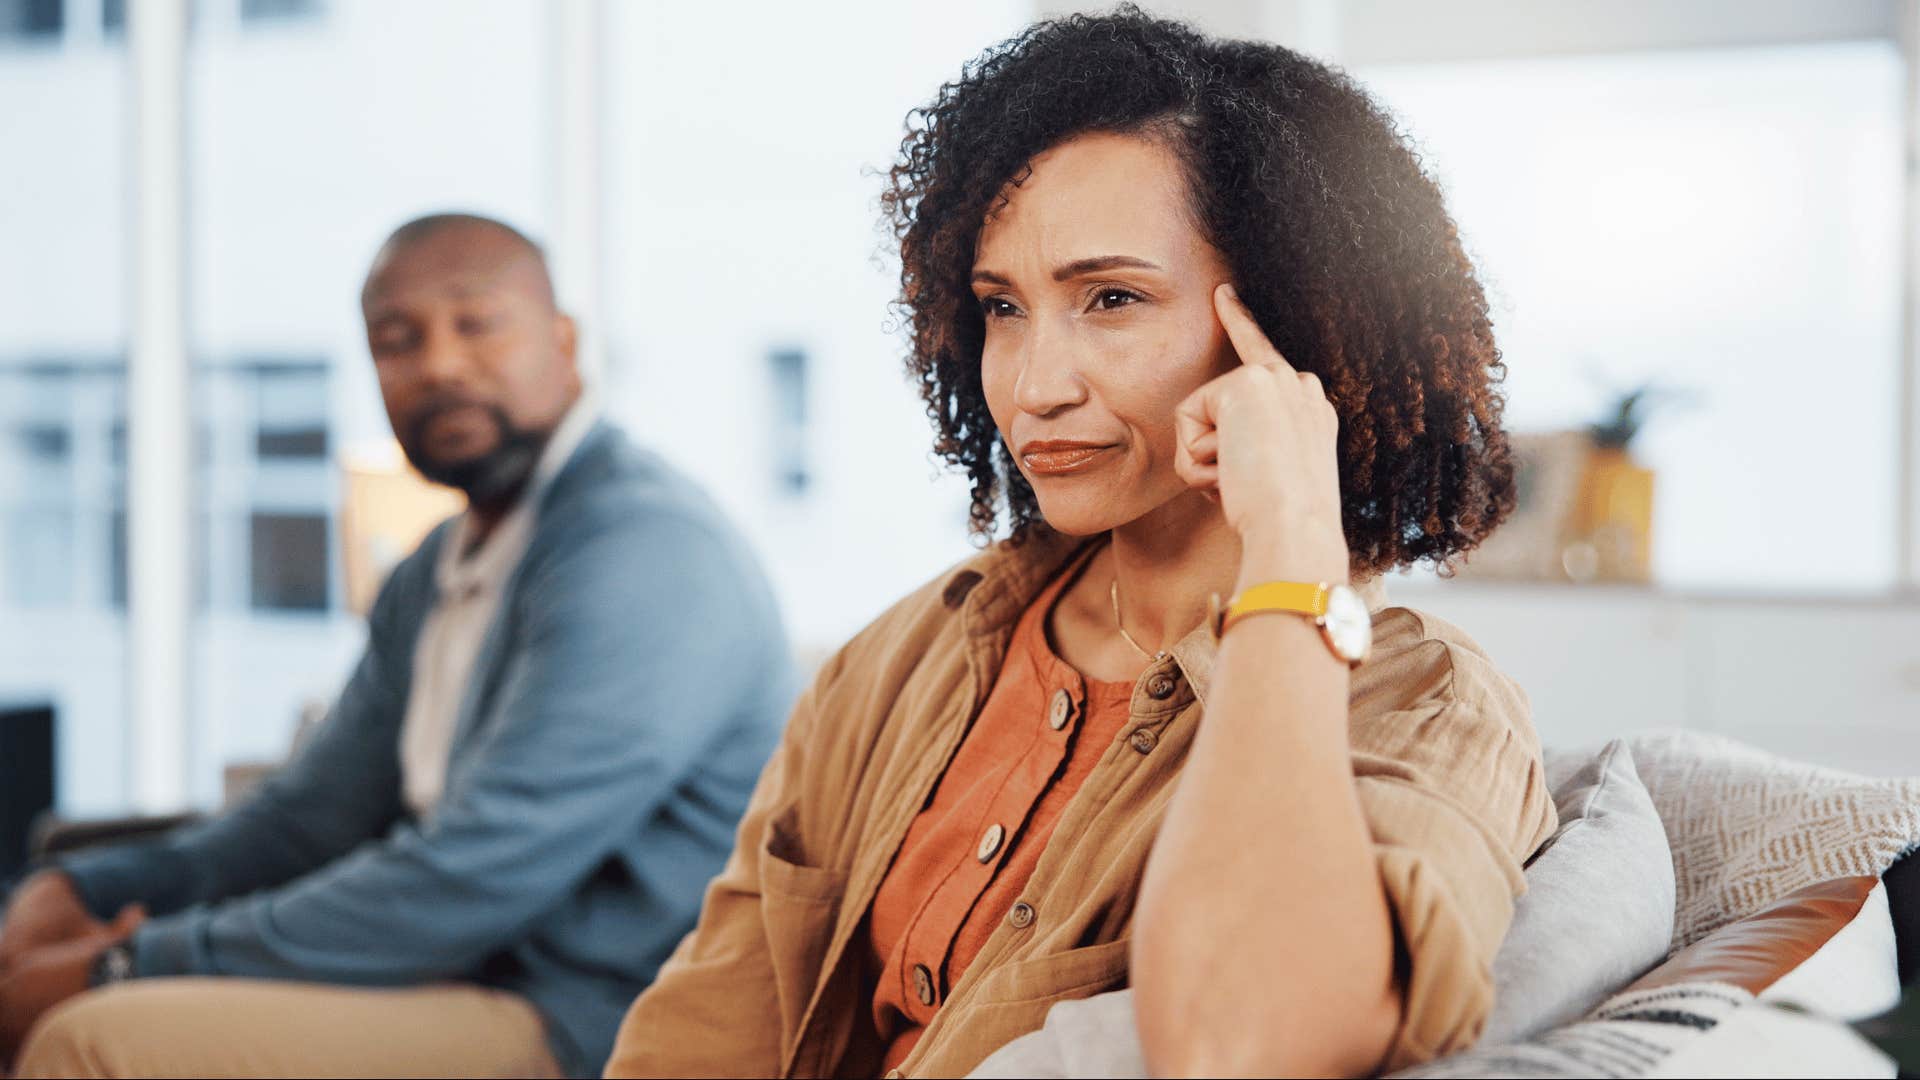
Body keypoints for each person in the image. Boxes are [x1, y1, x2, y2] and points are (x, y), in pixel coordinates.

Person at [604, 9, 1556, 1079]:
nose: (1031, 386)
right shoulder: (908, 654)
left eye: (1111, 299)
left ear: (1291, 329)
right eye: (1003, 308)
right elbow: (702, 1031)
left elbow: (1257, 1044)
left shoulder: (1423, 706)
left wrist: (1293, 544)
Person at [0, 213, 795, 1079]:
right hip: (461, 972)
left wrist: (124, 963)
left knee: (90, 1042)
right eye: (396, 340)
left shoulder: (643, 547)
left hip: (597, 1016)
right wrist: (87, 890)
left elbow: (472, 877)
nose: (440, 365)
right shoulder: (438, 567)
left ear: (564, 342)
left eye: (478, 322)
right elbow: (307, 818)